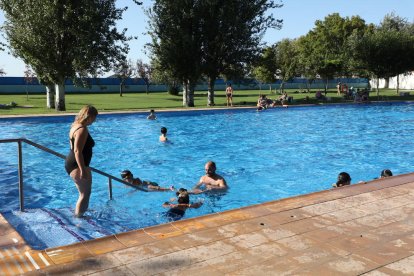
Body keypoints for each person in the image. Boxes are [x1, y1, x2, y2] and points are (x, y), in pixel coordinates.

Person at [65, 105, 98, 217]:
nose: (95, 120)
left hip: (73, 163)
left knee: (84, 193)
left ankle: (80, 213)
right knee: (84, 194)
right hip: (77, 164)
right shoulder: (82, 130)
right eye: (94, 117)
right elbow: (77, 151)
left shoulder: (76, 125)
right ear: (89, 116)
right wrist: (82, 169)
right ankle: (79, 219)